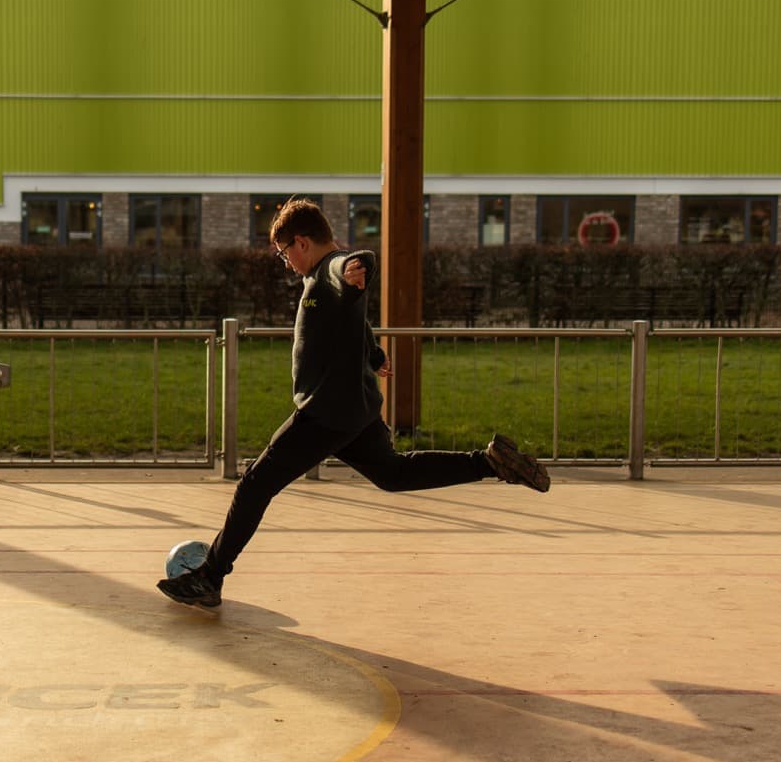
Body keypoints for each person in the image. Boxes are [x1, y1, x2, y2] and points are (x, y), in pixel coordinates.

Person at [157, 197, 550, 608]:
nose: (285, 262)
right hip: (354, 411)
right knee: (393, 473)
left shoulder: (332, 270)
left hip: (326, 413)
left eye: (283, 253)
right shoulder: (325, 285)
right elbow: (353, 322)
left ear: (302, 242)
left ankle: (210, 577)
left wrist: (352, 268)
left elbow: (348, 266)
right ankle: (489, 462)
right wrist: (375, 354)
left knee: (254, 485)